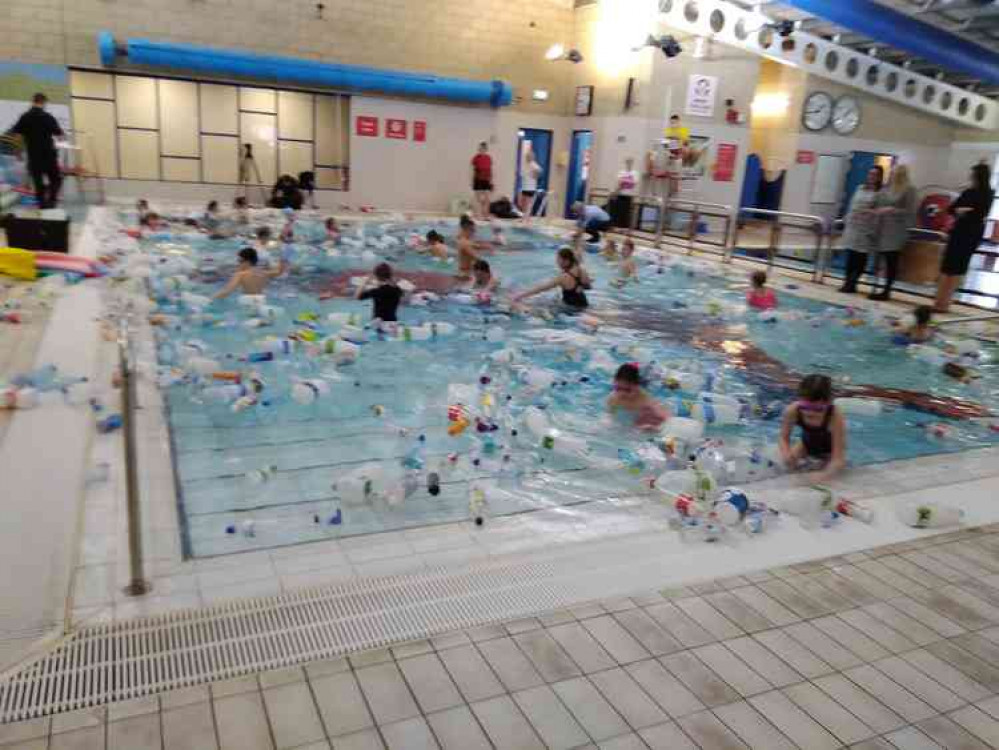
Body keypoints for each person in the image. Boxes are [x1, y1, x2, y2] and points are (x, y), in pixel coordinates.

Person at [936, 163, 995, 313]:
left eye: (973, 174)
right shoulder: (968, 192)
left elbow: (981, 213)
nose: (970, 177)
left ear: (978, 176)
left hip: (971, 233)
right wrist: (960, 210)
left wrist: (964, 211)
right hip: (959, 231)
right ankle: (938, 302)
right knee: (947, 267)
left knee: (958, 269)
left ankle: (946, 303)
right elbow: (951, 209)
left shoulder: (988, 193)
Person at [778, 374, 847, 483]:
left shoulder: (835, 415)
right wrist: (786, 453)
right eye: (805, 406)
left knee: (832, 474)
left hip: (828, 451)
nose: (810, 413)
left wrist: (824, 475)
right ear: (800, 399)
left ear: (829, 403)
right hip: (805, 445)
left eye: (818, 409)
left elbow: (838, 459)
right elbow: (783, 438)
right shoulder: (793, 410)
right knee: (788, 467)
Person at [6, 93, 64, 209]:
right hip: (49, 155)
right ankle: (51, 202)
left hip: (34, 156)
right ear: (43, 103)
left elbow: (17, 135)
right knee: (56, 179)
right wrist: (59, 135)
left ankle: (42, 205)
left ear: (33, 101)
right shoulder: (48, 117)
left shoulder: (25, 117)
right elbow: (59, 134)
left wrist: (17, 151)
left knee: (38, 182)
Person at [870, 165, 917, 301]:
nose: (891, 176)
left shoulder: (909, 190)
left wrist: (892, 210)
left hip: (897, 231)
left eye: (894, 174)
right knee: (882, 259)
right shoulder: (886, 189)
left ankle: (887, 290)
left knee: (891, 260)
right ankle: (878, 286)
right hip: (883, 229)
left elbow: (910, 211)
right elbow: (877, 203)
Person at [839, 166, 884, 294]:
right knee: (851, 256)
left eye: (875, 174)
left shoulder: (880, 194)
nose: (871, 176)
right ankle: (847, 282)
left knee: (861, 258)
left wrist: (869, 213)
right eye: (870, 174)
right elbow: (852, 205)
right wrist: (846, 220)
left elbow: (879, 212)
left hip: (866, 229)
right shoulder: (859, 188)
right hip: (853, 226)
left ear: (879, 177)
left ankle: (853, 282)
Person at [513, 247, 592, 310]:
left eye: (558, 259)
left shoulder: (563, 277)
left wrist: (520, 296)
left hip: (571, 308)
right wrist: (581, 287)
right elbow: (588, 286)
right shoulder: (581, 270)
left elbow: (541, 288)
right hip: (584, 303)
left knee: (540, 307)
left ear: (566, 261)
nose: (557, 262)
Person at [607, 363, 671, 431]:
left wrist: (655, 429)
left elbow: (668, 419)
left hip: (651, 387)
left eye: (628, 390)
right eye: (618, 388)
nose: (622, 393)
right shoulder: (613, 398)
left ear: (637, 386)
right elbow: (609, 415)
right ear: (614, 382)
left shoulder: (645, 400)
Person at [213, 247, 287, 299]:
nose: (238, 263)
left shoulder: (241, 275)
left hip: (247, 303)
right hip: (261, 301)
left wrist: (211, 299)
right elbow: (280, 272)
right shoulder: (264, 273)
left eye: (240, 261)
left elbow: (226, 292)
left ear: (247, 261)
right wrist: (283, 259)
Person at [610, 157, 640, 228]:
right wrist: (626, 181)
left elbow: (633, 183)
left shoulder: (635, 173)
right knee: (619, 210)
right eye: (628, 162)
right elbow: (620, 182)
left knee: (626, 211)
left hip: (629, 194)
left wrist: (625, 181)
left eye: (630, 162)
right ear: (626, 163)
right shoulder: (622, 172)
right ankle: (616, 225)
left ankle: (624, 226)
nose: (629, 164)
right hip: (620, 193)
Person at [518, 141, 541, 219]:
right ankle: (525, 216)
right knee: (523, 203)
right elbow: (522, 175)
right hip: (524, 186)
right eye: (527, 156)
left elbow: (538, 171)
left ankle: (526, 218)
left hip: (530, 187)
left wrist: (534, 176)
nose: (527, 158)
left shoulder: (534, 165)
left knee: (528, 203)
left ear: (532, 157)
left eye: (529, 156)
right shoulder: (525, 165)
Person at [471, 142, 493, 219]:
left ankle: (486, 215)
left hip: (486, 180)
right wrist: (472, 181)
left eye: (482, 148)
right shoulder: (475, 158)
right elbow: (472, 170)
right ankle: (477, 214)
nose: (481, 149)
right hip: (478, 180)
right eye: (480, 148)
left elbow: (490, 170)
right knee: (478, 199)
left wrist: (491, 181)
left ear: (485, 149)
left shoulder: (488, 158)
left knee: (487, 199)